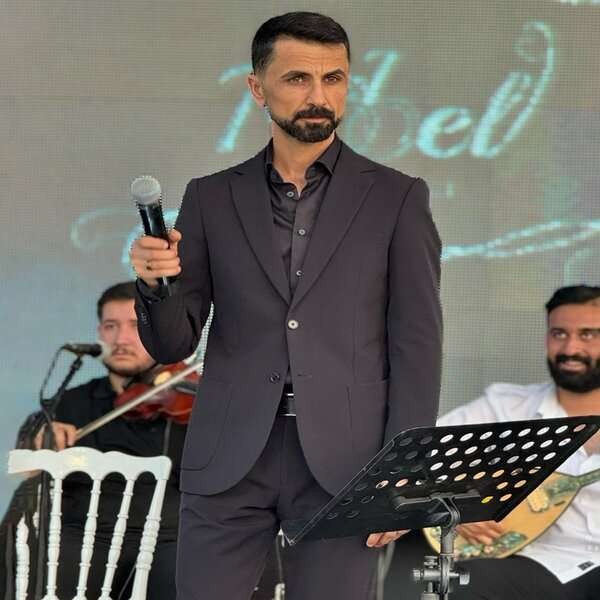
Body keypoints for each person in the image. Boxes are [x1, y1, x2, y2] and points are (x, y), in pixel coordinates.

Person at [131, 11, 442, 600]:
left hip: (347, 462)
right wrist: (153, 284)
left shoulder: (398, 197)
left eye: (334, 78)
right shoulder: (211, 196)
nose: (319, 96)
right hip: (229, 456)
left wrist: (405, 470)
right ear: (257, 88)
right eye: (298, 78)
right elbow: (173, 342)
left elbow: (417, 342)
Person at [438, 285, 600, 600]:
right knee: (465, 583)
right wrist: (454, 503)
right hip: (539, 560)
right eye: (559, 334)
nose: (571, 348)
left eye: (588, 335)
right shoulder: (506, 407)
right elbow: (421, 455)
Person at [33, 281, 188, 600]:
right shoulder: (70, 402)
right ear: (99, 333)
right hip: (83, 538)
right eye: (111, 326)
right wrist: (43, 439)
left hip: (167, 539)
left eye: (136, 325)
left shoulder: (189, 400)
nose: (121, 339)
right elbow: (25, 468)